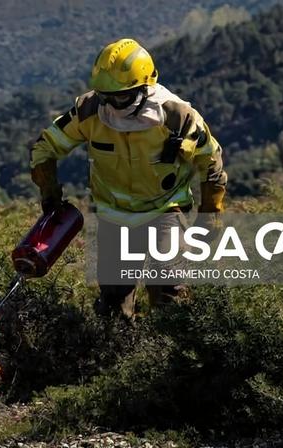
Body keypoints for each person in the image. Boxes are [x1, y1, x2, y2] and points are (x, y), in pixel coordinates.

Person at [29, 38, 228, 318]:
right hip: (113, 215)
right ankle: (118, 354)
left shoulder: (177, 116)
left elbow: (211, 163)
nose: (110, 105)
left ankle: (171, 356)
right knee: (112, 306)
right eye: (104, 96)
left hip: (165, 210)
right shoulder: (88, 110)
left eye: (119, 97)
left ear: (144, 87)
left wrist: (211, 217)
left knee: (170, 294)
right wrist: (49, 194)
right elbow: (44, 147)